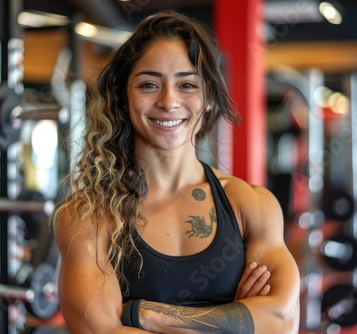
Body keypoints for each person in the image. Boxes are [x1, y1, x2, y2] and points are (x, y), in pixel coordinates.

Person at [54, 10, 300, 333]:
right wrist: (236, 320)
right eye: (149, 84)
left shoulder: (251, 205)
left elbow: (281, 322)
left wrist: (144, 314)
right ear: (123, 98)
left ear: (207, 97)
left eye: (186, 84)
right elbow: (100, 331)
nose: (169, 101)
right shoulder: (87, 217)